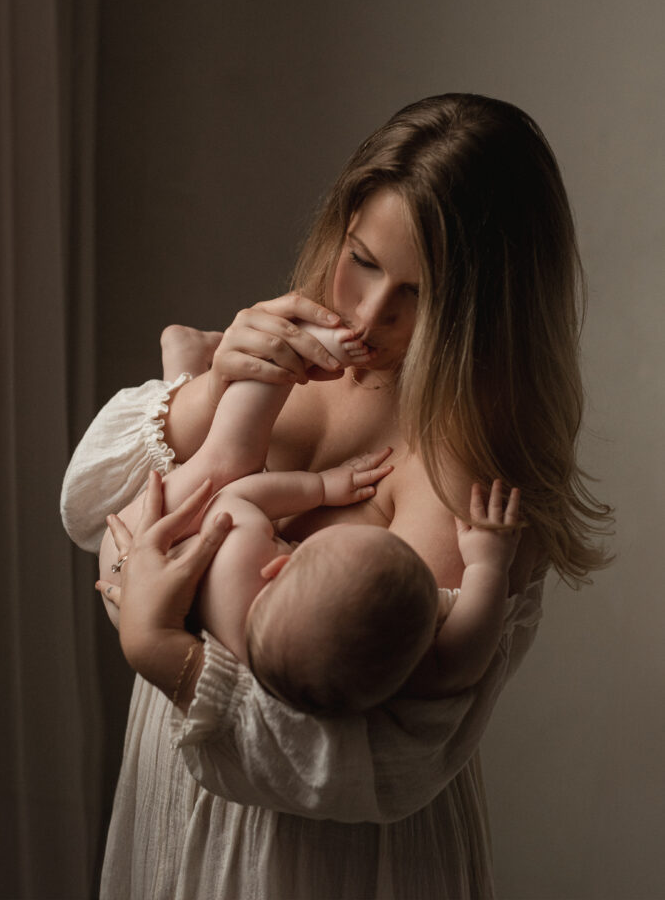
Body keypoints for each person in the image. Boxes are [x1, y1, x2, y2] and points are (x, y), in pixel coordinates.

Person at [61, 93, 611, 899]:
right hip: (172, 798)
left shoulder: (467, 468)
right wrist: (214, 380)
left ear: (489, 309)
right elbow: (87, 507)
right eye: (361, 259)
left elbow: (373, 766)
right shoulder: (287, 344)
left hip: (312, 859)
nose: (369, 314)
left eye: (421, 296)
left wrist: (164, 652)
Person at [97, 322, 522, 715]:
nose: (297, 537)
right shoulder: (334, 666)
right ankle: (186, 367)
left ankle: (241, 364)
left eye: (308, 543)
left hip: (130, 552)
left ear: (280, 564)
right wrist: (489, 567)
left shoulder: (241, 563)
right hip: (147, 589)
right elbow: (455, 666)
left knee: (228, 458)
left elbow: (238, 495)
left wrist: (320, 488)